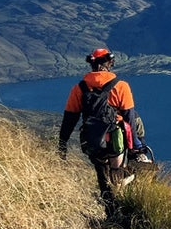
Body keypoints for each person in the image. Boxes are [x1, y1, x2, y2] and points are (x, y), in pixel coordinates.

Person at [58, 48, 150, 217]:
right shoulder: (121, 86)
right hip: (117, 140)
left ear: (92, 64)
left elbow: (69, 119)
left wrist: (62, 144)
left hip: (92, 140)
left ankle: (111, 213)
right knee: (119, 174)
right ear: (110, 63)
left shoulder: (79, 89)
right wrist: (136, 146)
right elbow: (129, 118)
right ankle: (126, 212)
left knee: (103, 176)